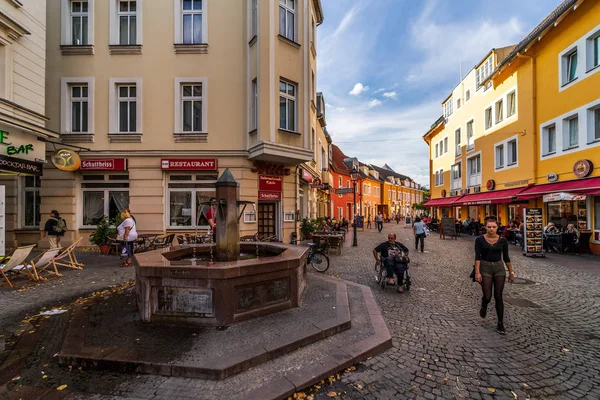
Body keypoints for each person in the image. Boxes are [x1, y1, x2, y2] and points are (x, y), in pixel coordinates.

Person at [474, 216, 515, 335]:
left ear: (497, 228)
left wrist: (511, 272)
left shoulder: (503, 241)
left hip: (499, 268)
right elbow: (477, 257)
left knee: (498, 296)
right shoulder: (479, 240)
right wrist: (477, 272)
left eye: (494, 227)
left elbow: (506, 258)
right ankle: (484, 305)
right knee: (487, 296)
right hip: (485, 267)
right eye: (489, 227)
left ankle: (500, 323)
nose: (491, 229)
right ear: (485, 227)